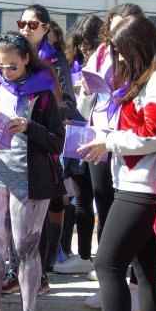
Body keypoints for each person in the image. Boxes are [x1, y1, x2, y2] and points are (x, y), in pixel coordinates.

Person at [79, 15, 156, 311]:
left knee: (107, 264)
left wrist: (111, 143)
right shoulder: (153, 76)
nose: (119, 60)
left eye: (122, 53)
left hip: (144, 187)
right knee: (148, 272)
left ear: (139, 46)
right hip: (141, 184)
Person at [0, 32, 65, 311]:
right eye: (0, 66)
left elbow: (57, 140)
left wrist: (29, 127)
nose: (6, 72)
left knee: (27, 249)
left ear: (26, 59)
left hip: (30, 180)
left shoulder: (44, 92)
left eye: (12, 66)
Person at [79, 4, 145, 311]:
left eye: (125, 27)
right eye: (114, 27)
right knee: (104, 206)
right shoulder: (102, 52)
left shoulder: (143, 58)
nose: (117, 35)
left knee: (128, 214)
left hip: (126, 139)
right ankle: (109, 285)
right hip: (100, 135)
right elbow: (85, 92)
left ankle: (132, 288)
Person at [11, 4, 77, 292]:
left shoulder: (57, 61)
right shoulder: (11, 53)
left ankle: (43, 272)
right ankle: (16, 271)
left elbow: (70, 106)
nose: (26, 28)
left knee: (41, 212)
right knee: (13, 215)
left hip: (44, 143)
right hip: (12, 146)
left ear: (47, 28)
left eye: (33, 24)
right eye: (22, 23)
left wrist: (40, 110)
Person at [54, 14, 104, 275]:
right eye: (82, 43)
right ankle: (84, 255)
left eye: (89, 43)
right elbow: (81, 108)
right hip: (79, 135)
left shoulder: (109, 62)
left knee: (103, 199)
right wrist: (83, 91)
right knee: (82, 197)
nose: (85, 48)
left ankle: (103, 258)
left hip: (102, 139)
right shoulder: (75, 63)